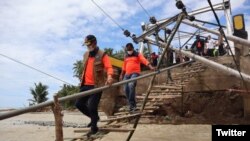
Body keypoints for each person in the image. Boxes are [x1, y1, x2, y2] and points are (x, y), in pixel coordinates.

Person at [75, 35, 114, 136]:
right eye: (86, 45)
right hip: (85, 85)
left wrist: (109, 77)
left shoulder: (102, 54)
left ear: (95, 43)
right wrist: (81, 77)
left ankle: (94, 128)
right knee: (79, 104)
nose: (88, 47)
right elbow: (85, 68)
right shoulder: (85, 55)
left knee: (92, 106)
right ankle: (94, 118)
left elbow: (109, 67)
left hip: (97, 85)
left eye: (89, 44)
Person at [119, 43, 155, 112]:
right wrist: (121, 74)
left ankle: (132, 106)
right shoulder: (126, 56)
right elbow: (124, 66)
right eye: (128, 50)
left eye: (130, 49)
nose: (129, 51)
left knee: (131, 85)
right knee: (125, 88)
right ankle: (131, 104)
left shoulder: (137, 54)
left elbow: (144, 60)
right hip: (127, 74)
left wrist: (150, 67)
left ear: (132, 48)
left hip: (135, 73)